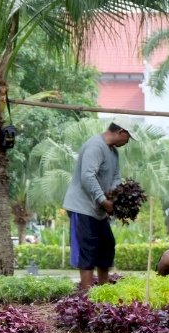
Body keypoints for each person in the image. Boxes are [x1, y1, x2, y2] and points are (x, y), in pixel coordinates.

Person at [63, 119, 134, 291]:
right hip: (83, 207)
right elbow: (87, 176)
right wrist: (103, 200)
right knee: (88, 249)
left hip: (99, 210)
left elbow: (116, 177)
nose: (128, 141)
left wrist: (118, 198)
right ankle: (86, 298)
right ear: (120, 131)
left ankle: (103, 291)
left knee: (106, 246)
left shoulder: (113, 152)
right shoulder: (95, 146)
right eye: (128, 137)